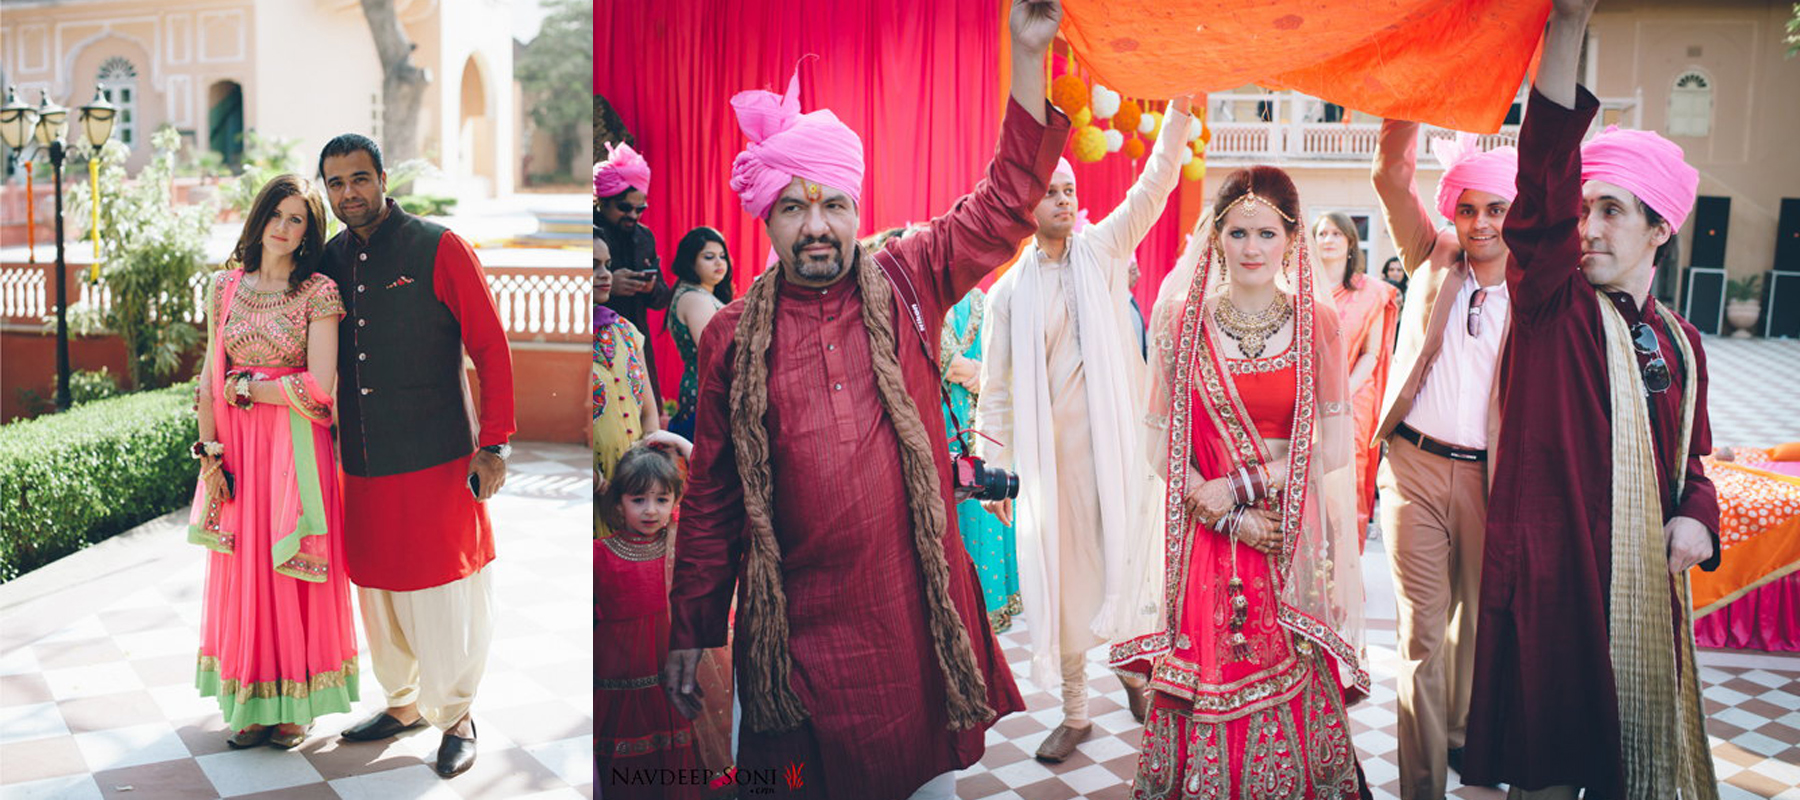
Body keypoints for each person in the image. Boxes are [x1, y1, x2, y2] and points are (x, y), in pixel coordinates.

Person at [662, 2, 1070, 795]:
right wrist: (691, 627)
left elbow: (1004, 204)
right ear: (768, 219)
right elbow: (712, 496)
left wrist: (1028, 54)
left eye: (833, 205)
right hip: (793, 635)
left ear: (856, 209)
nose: (816, 226)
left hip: (912, 620)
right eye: (793, 207)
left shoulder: (909, 278)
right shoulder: (733, 337)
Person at [1464, 1, 1722, 796]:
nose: (1588, 229)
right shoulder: (1555, 305)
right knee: (1544, 778)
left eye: (1611, 211)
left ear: (1659, 230)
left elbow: (1695, 465)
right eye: (1584, 210)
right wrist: (1568, 22)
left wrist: (1698, 518)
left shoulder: (1680, 344)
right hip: (1555, 593)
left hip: (1639, 603)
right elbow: (1543, 179)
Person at [1112, 166, 1370, 799]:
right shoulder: (1179, 321)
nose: (1252, 248)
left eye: (1266, 233)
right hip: (1208, 543)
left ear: (1291, 239)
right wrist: (1227, 512)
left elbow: (1335, 447)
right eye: (1237, 233)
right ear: (1216, 236)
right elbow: (1158, 444)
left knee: (1291, 676)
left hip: (1288, 536)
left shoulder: (1318, 323)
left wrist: (1243, 488)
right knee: (1212, 677)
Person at [976, 97, 1192, 761]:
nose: (1065, 201)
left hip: (1120, 451)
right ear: (1028, 204)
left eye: (1070, 190)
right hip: (1053, 463)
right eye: (1052, 192)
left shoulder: (1102, 250)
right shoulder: (1009, 293)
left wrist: (1181, 110)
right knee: (1065, 581)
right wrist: (993, 472)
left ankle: (1133, 672)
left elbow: (1155, 186)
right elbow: (996, 389)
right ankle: (1075, 712)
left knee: (1128, 562)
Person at [317, 134, 515, 779]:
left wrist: (494, 444)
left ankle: (457, 717)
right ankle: (402, 705)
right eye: (335, 182)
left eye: (359, 178)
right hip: (361, 458)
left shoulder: (438, 246)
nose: (349, 192)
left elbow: (490, 347)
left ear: (382, 178)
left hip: (439, 456)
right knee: (377, 588)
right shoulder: (328, 260)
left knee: (445, 590)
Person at [1369, 99, 1522, 799]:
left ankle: (1462, 734)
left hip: (1491, 480)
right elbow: (1389, 177)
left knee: (1476, 629)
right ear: (1452, 213)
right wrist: (1410, 96)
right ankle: (1422, 787)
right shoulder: (1430, 256)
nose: (1480, 223)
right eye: (1468, 209)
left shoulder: (1535, 291)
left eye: (1496, 209)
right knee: (1422, 639)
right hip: (1415, 470)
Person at [189, 174, 358, 751]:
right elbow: (210, 374)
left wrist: (250, 390)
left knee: (288, 567)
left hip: (294, 446)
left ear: (309, 232)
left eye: (297, 220)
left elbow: (321, 388)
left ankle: (295, 706)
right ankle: (253, 704)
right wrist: (209, 452)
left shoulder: (319, 293)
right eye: (276, 215)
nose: (283, 228)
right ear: (259, 217)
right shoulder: (224, 287)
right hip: (237, 445)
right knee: (245, 570)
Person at [598, 439, 733, 798]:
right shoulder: (600, 555)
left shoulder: (682, 546)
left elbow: (715, 485)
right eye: (638, 499)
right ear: (618, 502)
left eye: (661, 499)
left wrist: (678, 442)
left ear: (676, 500)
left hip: (674, 672)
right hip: (622, 678)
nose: (650, 511)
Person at [937, 284, 1021, 633]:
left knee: (973, 504)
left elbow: (1002, 362)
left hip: (967, 421)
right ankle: (972, 609)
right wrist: (983, 376)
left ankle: (980, 610)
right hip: (957, 419)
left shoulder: (983, 302)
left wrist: (976, 374)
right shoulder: (972, 301)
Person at [1314, 212, 1397, 544]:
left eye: (1336, 234)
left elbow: (1371, 353)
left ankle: (1344, 561)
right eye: (1322, 233)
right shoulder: (1297, 287)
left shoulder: (1370, 292)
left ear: (1351, 242)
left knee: (1346, 477)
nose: (1328, 239)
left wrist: (1340, 394)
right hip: (1302, 395)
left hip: (1353, 394)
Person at [595, 231, 663, 536]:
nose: (604, 274)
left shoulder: (626, 332)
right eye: (593, 266)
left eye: (607, 265)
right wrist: (599, 484)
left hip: (634, 489)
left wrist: (643, 479)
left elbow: (649, 413)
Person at [596, 142, 674, 403]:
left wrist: (650, 287)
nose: (633, 215)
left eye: (640, 209)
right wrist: (610, 286)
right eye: (624, 208)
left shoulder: (644, 237)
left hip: (636, 342)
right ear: (602, 202)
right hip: (597, 344)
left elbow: (662, 298)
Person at [666, 227, 734, 440]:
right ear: (690, 261)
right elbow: (717, 352)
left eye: (722, 256)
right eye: (709, 257)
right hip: (706, 394)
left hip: (708, 390)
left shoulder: (699, 294)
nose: (719, 263)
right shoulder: (695, 298)